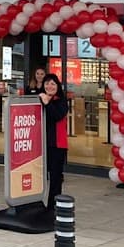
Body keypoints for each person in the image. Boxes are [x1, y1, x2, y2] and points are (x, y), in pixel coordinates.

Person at [39, 72, 69, 209]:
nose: (49, 86)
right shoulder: (39, 99)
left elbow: (57, 116)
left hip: (57, 145)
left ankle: (52, 207)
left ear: (57, 86)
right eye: (47, 83)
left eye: (53, 84)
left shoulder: (61, 101)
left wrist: (47, 103)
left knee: (55, 177)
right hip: (41, 143)